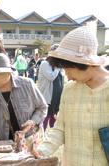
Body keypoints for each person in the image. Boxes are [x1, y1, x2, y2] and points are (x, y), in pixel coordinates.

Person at [33, 22, 109, 166]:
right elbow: (60, 128)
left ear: (84, 63)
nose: (67, 76)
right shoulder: (69, 90)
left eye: (68, 69)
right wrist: (42, 150)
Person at [37, 55, 63, 130]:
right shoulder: (45, 63)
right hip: (47, 96)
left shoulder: (57, 66)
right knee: (46, 116)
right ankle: (42, 135)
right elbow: (51, 76)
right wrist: (57, 67)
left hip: (55, 97)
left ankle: (52, 134)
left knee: (54, 116)